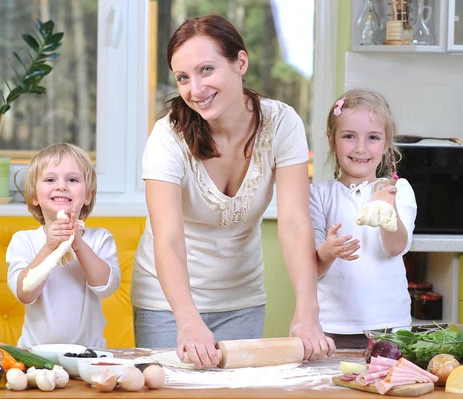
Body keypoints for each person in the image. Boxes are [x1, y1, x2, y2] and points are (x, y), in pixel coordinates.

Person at [132, 14, 335, 367]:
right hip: (167, 304)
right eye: (183, 77)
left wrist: (307, 312)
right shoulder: (168, 137)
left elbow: (294, 223)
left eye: (206, 69)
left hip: (242, 298)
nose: (195, 89)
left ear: (240, 62)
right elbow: (168, 238)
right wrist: (187, 320)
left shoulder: (282, 124)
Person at [309, 89, 417, 349]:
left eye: (373, 138)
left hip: (390, 327)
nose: (360, 148)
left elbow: (395, 247)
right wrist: (328, 251)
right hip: (331, 328)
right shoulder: (319, 195)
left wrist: (386, 212)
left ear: (386, 142)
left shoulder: (398, 190)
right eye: (349, 136)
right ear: (331, 139)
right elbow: (311, 270)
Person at [6, 143, 121, 347]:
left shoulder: (100, 239)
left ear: (88, 195)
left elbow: (106, 287)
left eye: (73, 179)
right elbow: (25, 294)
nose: (61, 186)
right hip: (35, 356)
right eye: (50, 179)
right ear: (33, 195)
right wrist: (49, 247)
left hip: (89, 355)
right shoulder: (23, 241)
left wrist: (79, 245)